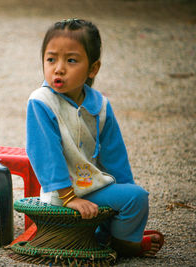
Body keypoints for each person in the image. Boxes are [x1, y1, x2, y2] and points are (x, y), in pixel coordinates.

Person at [26, 19, 164, 257]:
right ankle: (124, 245)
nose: (58, 68)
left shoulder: (100, 105)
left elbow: (114, 154)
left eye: (71, 60)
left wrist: (124, 189)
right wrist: (69, 197)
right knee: (135, 198)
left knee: (134, 197)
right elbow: (45, 154)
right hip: (61, 194)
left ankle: (107, 235)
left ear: (93, 69)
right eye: (51, 59)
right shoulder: (41, 102)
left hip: (92, 187)